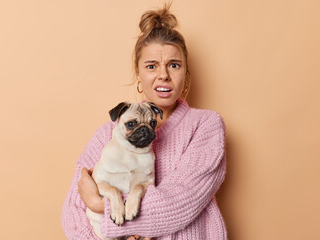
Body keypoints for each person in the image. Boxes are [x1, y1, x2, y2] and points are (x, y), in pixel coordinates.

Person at [61, 4, 227, 240]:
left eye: (174, 65)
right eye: (151, 66)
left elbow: (180, 203)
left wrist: (100, 205)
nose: (163, 75)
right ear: (138, 75)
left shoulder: (206, 126)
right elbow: (73, 212)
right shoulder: (107, 133)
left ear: (186, 74)